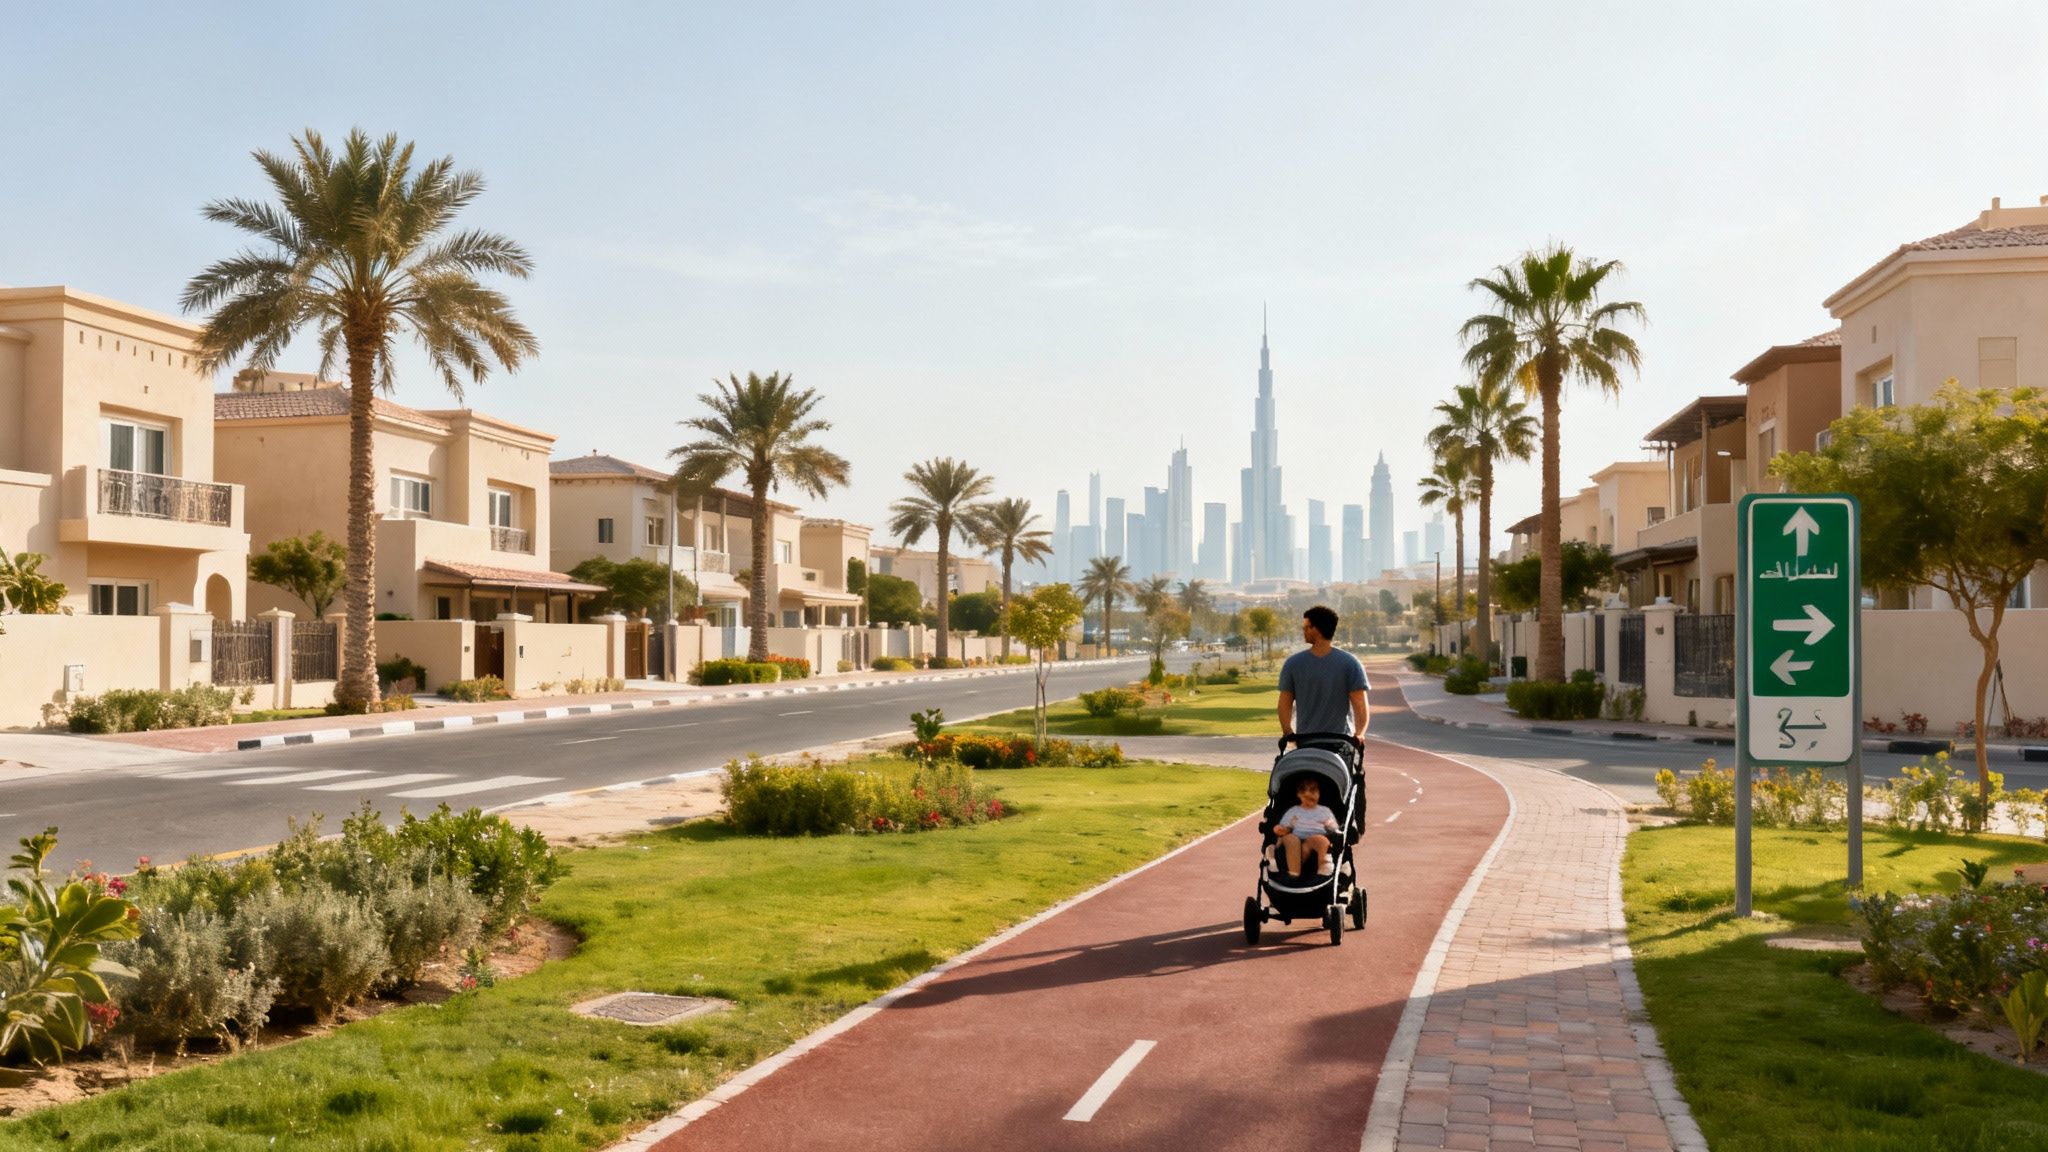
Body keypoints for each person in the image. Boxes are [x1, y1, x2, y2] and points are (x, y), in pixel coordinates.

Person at [1277, 604, 1370, 740]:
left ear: (1316, 629)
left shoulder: (1293, 664)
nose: (1303, 629)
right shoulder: (1351, 663)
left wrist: (1288, 732)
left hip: (1306, 742)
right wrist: (1359, 734)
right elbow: (1360, 705)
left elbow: (1284, 703)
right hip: (1341, 741)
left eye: (1307, 626)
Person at [1274, 775, 1339, 876]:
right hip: (1296, 840)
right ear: (1299, 795)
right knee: (1291, 839)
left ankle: (1323, 867)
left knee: (1321, 840)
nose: (1310, 797)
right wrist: (1281, 829)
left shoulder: (1324, 811)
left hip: (1314, 840)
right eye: (1305, 794)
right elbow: (1286, 828)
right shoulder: (1294, 811)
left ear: (1319, 794)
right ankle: (1293, 873)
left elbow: (1335, 828)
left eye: (1314, 792)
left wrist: (1329, 824)